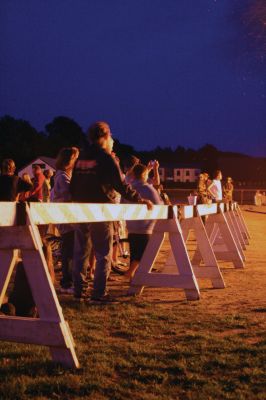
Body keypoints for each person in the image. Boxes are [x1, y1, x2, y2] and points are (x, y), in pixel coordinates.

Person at [70, 121, 153, 302]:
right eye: (111, 136)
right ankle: (99, 293)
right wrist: (139, 199)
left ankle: (79, 289)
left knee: (81, 251)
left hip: (81, 209)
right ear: (106, 136)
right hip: (101, 209)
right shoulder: (106, 158)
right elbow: (121, 185)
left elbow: (73, 185)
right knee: (103, 253)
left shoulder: (82, 157)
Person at [124, 163, 164, 280]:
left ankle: (133, 278)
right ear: (144, 174)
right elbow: (159, 204)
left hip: (131, 226)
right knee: (145, 253)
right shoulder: (147, 188)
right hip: (145, 226)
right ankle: (130, 273)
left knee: (135, 253)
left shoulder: (129, 188)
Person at [51, 147, 80, 294]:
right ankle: (67, 283)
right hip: (66, 219)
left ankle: (68, 281)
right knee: (69, 251)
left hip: (66, 218)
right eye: (76, 159)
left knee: (70, 250)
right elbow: (68, 196)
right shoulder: (62, 176)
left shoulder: (61, 175)